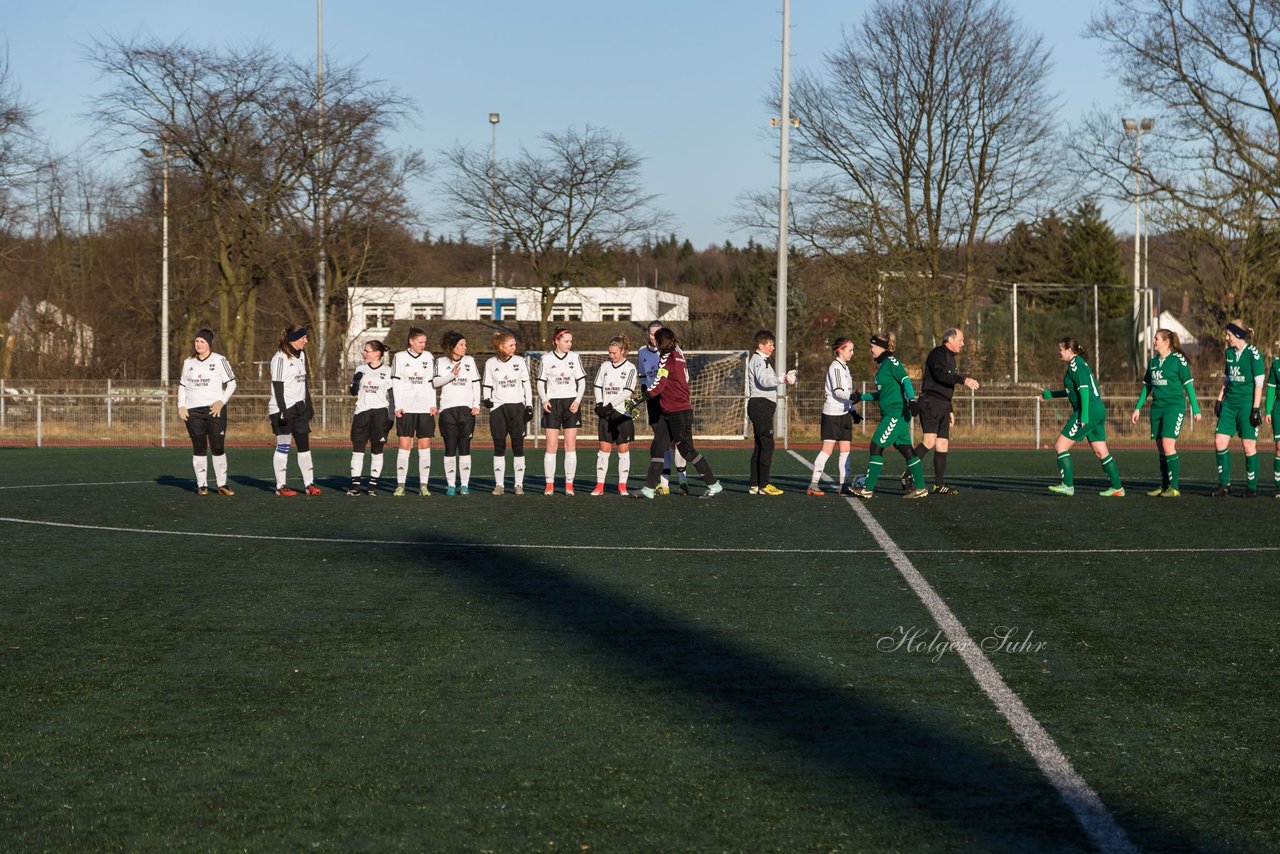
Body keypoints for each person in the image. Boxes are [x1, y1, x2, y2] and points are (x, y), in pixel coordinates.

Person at [635, 327, 722, 499]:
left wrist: (639, 399)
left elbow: (659, 384)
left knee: (687, 451)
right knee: (658, 447)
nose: (654, 343)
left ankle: (713, 484)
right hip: (669, 410)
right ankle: (649, 488)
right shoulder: (678, 354)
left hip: (678, 412)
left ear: (661, 342)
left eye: (656, 340)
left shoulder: (667, 358)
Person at [847, 333, 928, 500]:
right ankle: (920, 488)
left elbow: (905, 379)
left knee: (876, 446)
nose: (870, 350)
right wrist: (860, 397)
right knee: (907, 450)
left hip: (895, 414)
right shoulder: (883, 365)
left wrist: (912, 400)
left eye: (872, 347)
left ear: (880, 347)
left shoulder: (892, 362)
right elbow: (881, 394)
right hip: (895, 414)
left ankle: (867, 489)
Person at [1042, 337, 1124, 497]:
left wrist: (1084, 416)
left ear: (1069, 350)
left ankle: (1068, 485)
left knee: (1060, 446)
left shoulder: (1076, 365)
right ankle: (1118, 488)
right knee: (1101, 451)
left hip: (1089, 411)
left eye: (1061, 349)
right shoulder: (1078, 364)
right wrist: (1050, 394)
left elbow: (1085, 390)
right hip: (1097, 409)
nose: (1059, 352)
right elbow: (1072, 391)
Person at [1129, 328, 1201, 498]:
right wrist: (1138, 408)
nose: (1153, 341)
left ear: (1166, 342)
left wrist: (1196, 409)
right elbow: (1147, 386)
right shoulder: (1153, 361)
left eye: (1156, 339)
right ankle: (1164, 485)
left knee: (1169, 445)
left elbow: (1188, 385)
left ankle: (1174, 487)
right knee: (1161, 448)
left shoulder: (1178, 361)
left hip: (1174, 407)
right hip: (1157, 408)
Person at [909, 327, 980, 495]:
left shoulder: (951, 358)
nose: (963, 344)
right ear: (950, 340)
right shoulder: (938, 354)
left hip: (943, 405)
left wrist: (950, 409)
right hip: (930, 402)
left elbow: (946, 386)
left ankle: (938, 485)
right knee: (929, 441)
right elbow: (941, 376)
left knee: (943, 444)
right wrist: (964, 379)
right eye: (961, 340)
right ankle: (907, 473)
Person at [177, 328, 237, 496]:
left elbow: (232, 383)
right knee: (199, 447)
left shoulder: (220, 360)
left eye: (202, 341)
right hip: (193, 411)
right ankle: (202, 485)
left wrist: (221, 401)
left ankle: (222, 484)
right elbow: (182, 385)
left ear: (209, 344)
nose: (198, 344)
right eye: (196, 341)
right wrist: (181, 405)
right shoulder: (188, 362)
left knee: (217, 447)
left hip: (214, 410)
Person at [1211, 320, 1265, 497]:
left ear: (1239, 335)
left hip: (1247, 405)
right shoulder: (1228, 353)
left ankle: (1252, 487)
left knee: (1248, 446)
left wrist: (1255, 409)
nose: (1226, 338)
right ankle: (1224, 485)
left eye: (1229, 335)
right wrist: (1220, 399)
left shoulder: (1253, 354)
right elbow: (1227, 380)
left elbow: (1259, 384)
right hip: (1230, 404)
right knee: (1219, 441)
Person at [268, 324, 321, 496]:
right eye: (303, 337)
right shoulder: (280, 358)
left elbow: (303, 382)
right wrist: (283, 411)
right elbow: (277, 386)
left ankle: (309, 484)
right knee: (283, 446)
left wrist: (309, 404)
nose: (306, 340)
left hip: (299, 408)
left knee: (304, 447)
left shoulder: (302, 355)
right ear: (293, 340)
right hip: (282, 409)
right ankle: (280, 486)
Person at [807, 337, 861, 496]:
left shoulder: (845, 368)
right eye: (850, 350)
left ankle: (843, 485)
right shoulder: (835, 367)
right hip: (832, 414)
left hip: (843, 414)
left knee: (846, 449)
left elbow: (845, 394)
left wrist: (852, 411)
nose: (852, 352)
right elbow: (838, 391)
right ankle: (813, 484)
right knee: (827, 450)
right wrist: (852, 398)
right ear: (841, 351)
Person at [637, 320, 687, 493]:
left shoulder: (673, 352)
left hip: (671, 400)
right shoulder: (642, 352)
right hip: (653, 401)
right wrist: (645, 397)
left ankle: (682, 479)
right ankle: (664, 484)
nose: (654, 337)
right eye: (651, 333)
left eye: (657, 333)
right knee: (662, 442)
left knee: (678, 441)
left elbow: (682, 377)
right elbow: (643, 378)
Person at [482, 331, 533, 495]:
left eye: (515, 345)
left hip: (517, 408)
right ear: (501, 347)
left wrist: (529, 406)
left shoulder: (520, 361)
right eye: (511, 345)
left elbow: (526, 385)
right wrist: (486, 398)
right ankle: (499, 485)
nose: (514, 348)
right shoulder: (490, 363)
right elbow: (487, 385)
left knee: (518, 446)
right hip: (498, 409)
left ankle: (519, 485)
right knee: (499, 447)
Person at [746, 329, 796, 496]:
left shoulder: (763, 361)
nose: (773, 348)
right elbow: (764, 381)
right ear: (761, 345)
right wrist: (782, 379)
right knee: (767, 443)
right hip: (760, 405)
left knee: (760, 445)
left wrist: (785, 376)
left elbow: (768, 379)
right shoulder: (759, 361)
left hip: (760, 405)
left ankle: (755, 484)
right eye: (770, 345)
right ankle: (764, 485)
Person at [538, 326, 587, 495]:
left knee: (569, 445)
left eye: (571, 341)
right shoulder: (546, 359)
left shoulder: (575, 357)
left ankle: (569, 484)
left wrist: (577, 400)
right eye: (566, 341)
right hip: (552, 404)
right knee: (551, 445)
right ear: (557, 341)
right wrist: (544, 399)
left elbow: (581, 382)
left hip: (571, 403)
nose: (569, 344)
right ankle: (549, 484)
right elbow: (540, 382)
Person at [433, 330, 481, 496]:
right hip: (447, 411)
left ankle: (465, 485)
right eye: (461, 344)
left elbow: (476, 384)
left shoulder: (469, 361)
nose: (465, 347)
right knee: (450, 449)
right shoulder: (440, 361)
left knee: (465, 448)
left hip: (466, 411)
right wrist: (451, 375)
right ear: (452, 347)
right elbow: (436, 382)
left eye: (465, 344)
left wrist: (476, 405)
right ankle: (451, 485)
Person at [391, 326, 437, 496]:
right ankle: (401, 485)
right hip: (406, 408)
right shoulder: (400, 357)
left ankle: (423, 485)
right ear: (411, 341)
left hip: (425, 408)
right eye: (420, 342)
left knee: (424, 446)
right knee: (405, 446)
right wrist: (398, 406)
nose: (423, 345)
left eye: (425, 342)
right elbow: (396, 383)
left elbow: (431, 382)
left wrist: (432, 403)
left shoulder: (428, 357)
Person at [592, 335, 639, 495]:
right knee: (603, 451)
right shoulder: (605, 366)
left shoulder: (630, 368)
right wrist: (600, 404)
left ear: (623, 351)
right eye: (609, 353)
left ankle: (622, 486)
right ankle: (599, 486)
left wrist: (611, 405)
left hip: (622, 414)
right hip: (606, 414)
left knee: (623, 451)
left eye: (614, 353)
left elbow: (628, 391)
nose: (611, 356)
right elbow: (598, 385)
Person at [347, 339, 393, 496]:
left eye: (368, 351)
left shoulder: (388, 371)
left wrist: (391, 417)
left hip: (380, 414)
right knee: (358, 450)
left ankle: (372, 486)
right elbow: (353, 391)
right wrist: (356, 381)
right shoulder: (360, 368)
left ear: (378, 353)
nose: (364, 353)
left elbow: (392, 396)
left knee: (377, 450)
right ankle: (355, 486)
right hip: (362, 413)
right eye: (364, 350)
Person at [1266, 350, 1280, 498]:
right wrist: (1268, 411)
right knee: (1279, 447)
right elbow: (1271, 388)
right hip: (1278, 409)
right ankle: (1279, 487)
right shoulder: (1276, 364)